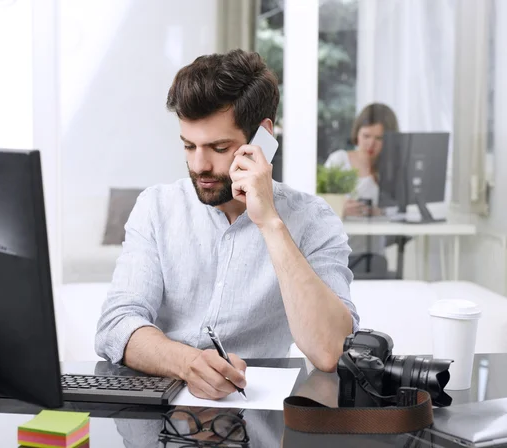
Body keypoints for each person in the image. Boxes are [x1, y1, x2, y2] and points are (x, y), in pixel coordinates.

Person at [95, 49, 359, 401]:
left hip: (259, 416)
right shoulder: (156, 208)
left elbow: (329, 350)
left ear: (262, 137)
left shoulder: (312, 219)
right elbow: (116, 325)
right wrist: (187, 363)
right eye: (189, 146)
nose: (199, 164)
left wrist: (269, 223)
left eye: (219, 147)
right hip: (161, 411)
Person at [324, 103, 399, 257]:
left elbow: (400, 212)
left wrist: (380, 212)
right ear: (357, 133)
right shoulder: (339, 160)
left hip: (374, 256)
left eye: (379, 138)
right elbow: (316, 204)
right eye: (366, 136)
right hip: (337, 254)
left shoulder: (392, 170)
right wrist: (341, 208)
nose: (371, 144)